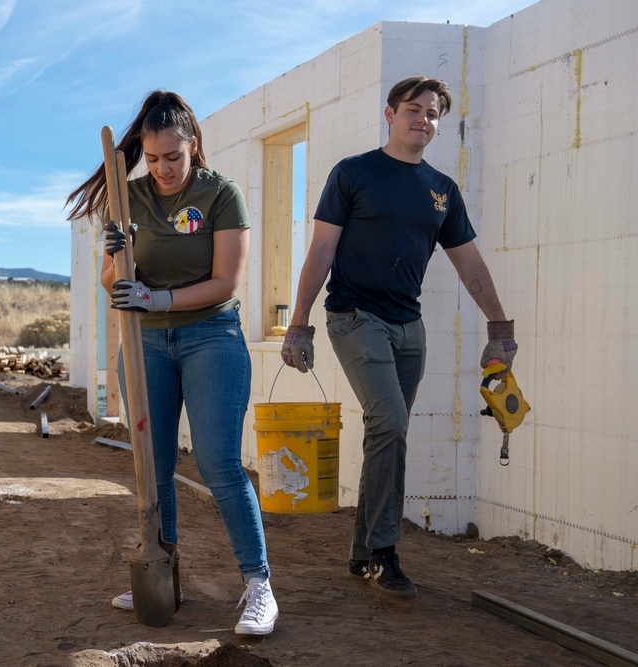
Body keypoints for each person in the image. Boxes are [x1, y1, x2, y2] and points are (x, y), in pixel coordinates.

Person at [281, 76, 519, 600]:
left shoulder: (441, 191)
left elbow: (469, 263)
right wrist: (299, 323)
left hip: (409, 327)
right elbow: (321, 250)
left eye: (433, 113)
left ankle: (363, 552)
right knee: (390, 421)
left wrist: (500, 327)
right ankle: (386, 551)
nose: (424, 120)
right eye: (414, 109)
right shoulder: (353, 173)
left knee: (385, 433)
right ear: (389, 114)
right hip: (354, 315)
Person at [66, 90, 277, 635]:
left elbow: (226, 281)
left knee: (217, 461)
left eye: (173, 158)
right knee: (152, 468)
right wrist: (116, 255)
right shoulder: (126, 196)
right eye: (153, 159)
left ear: (193, 145)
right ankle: (165, 575)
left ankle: (258, 586)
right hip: (145, 347)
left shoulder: (221, 195)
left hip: (211, 336)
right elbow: (115, 285)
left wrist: (157, 299)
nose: (161, 169)